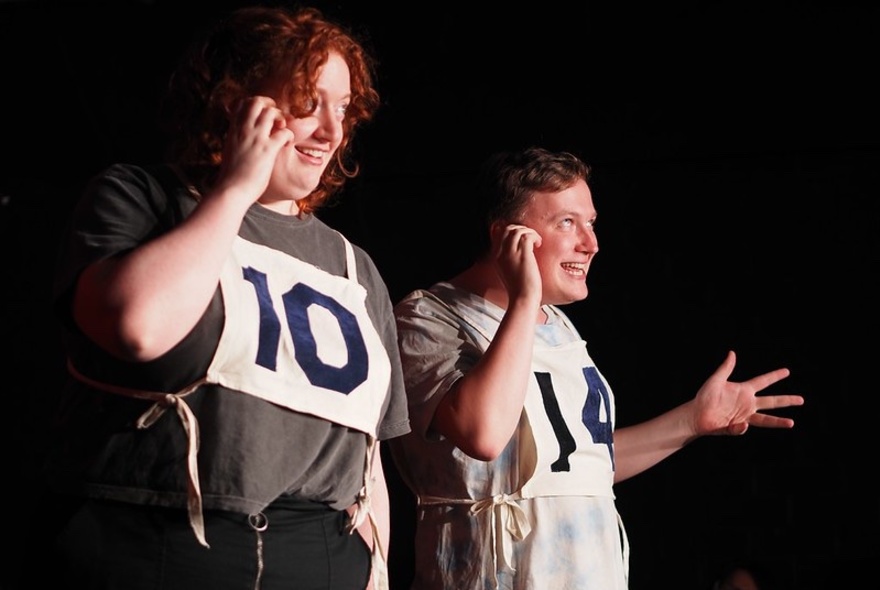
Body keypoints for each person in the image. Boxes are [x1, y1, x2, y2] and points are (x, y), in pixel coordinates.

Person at [46, 5, 409, 590]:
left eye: (341, 109)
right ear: (234, 99)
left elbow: (366, 455)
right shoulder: (144, 198)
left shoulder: (352, 266)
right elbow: (135, 326)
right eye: (306, 101)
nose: (331, 131)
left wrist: (379, 569)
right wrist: (236, 188)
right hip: (160, 546)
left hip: (318, 553)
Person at [388, 146, 804, 590]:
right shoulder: (428, 316)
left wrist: (691, 422)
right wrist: (525, 300)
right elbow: (483, 434)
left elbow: (578, 469)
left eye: (590, 223)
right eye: (567, 222)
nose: (591, 243)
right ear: (505, 237)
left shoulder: (560, 327)